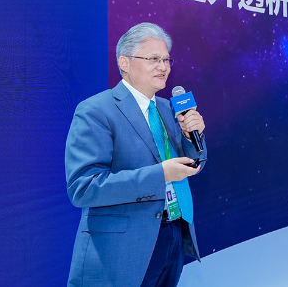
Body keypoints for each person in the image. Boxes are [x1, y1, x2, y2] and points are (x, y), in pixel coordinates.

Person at [65, 22, 207, 287]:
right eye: (153, 59)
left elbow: (193, 163)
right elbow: (84, 188)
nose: (163, 67)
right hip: (121, 248)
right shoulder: (96, 110)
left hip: (172, 233)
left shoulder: (168, 109)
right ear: (125, 62)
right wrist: (160, 175)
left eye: (166, 60)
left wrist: (191, 138)